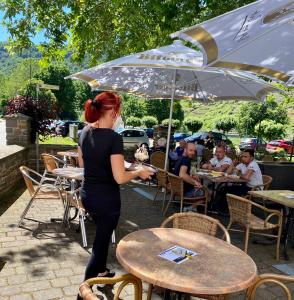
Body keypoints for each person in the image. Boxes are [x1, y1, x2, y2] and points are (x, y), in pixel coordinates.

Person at [77, 92, 154, 299]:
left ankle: (101, 271)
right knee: (100, 244)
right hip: (107, 202)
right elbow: (119, 178)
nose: (119, 115)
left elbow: (83, 163)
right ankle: (83, 290)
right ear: (112, 111)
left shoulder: (84, 131)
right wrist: (138, 172)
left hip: (87, 196)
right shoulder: (113, 138)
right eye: (118, 110)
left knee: (101, 237)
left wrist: (120, 165)